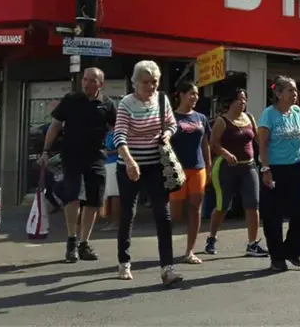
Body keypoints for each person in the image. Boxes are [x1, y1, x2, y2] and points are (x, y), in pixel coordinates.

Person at [114, 60, 182, 286]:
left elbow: (172, 124)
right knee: (128, 213)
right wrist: (130, 161)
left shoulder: (162, 100)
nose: (151, 86)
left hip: (155, 165)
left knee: (163, 215)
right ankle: (124, 261)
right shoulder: (126, 103)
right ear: (136, 83)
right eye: (146, 82)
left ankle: (167, 268)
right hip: (129, 165)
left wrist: (167, 135)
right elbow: (119, 136)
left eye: (154, 82)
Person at [38, 68, 116, 263]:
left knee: (93, 200)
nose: (87, 84)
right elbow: (55, 125)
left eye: (92, 81)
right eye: (85, 80)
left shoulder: (108, 104)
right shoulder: (71, 100)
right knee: (72, 196)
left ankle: (84, 243)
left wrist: (119, 149)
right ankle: (71, 240)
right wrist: (46, 150)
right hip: (71, 155)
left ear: (101, 84)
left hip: (96, 157)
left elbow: (116, 129)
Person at [205, 88, 268, 258]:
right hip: (227, 169)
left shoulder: (249, 118)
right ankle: (211, 238)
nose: (243, 102)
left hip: (249, 167)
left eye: (245, 99)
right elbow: (214, 144)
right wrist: (226, 154)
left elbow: (258, 139)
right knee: (223, 206)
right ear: (231, 101)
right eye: (240, 99)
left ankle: (252, 244)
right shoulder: (222, 121)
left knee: (253, 204)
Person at [257, 76, 300, 272]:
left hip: (297, 166)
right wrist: (266, 170)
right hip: (275, 169)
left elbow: (298, 133)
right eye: (290, 90)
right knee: (273, 215)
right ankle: (277, 257)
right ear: (278, 94)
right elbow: (262, 143)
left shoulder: (297, 111)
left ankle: (292, 250)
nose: (294, 94)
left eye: (295, 90)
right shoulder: (268, 115)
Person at [169, 81, 212, 265]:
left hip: (198, 168)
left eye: (196, 94)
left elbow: (205, 143)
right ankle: (166, 249)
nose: (195, 97)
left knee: (195, 210)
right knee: (175, 214)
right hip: (176, 170)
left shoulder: (201, 118)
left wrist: (209, 166)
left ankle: (190, 251)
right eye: (191, 94)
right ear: (181, 94)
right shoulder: (170, 117)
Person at [101, 129, 120, 231]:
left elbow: (122, 148)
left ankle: (116, 222)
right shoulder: (108, 134)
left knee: (115, 194)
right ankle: (112, 220)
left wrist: (108, 152)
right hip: (108, 164)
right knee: (110, 194)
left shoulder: (116, 133)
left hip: (115, 163)